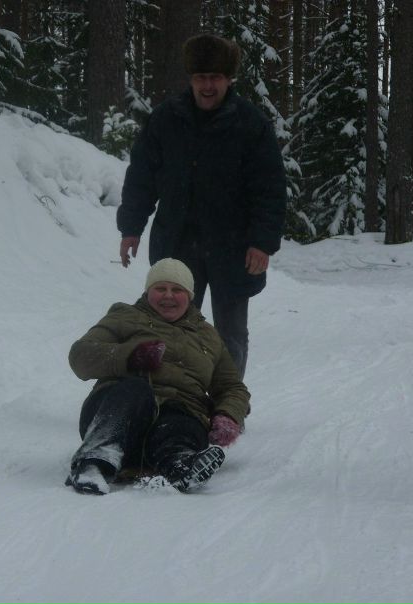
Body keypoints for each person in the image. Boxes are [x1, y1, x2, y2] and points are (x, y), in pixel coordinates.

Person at [117, 33, 287, 381]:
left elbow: (269, 188)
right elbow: (142, 176)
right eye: (200, 77)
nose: (208, 86)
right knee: (172, 326)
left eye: (216, 78)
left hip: (234, 246)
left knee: (231, 335)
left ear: (229, 79)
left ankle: (227, 405)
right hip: (177, 242)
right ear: (190, 79)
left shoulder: (251, 124)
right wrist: (131, 227)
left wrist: (262, 241)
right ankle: (177, 398)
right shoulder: (166, 118)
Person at [65, 258, 250, 495]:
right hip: (119, 412)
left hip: (178, 414)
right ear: (148, 291)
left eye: (177, 290)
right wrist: (130, 357)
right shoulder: (123, 317)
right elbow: (80, 356)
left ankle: (181, 466)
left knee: (183, 420)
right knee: (135, 390)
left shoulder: (208, 336)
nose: (168, 296)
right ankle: (94, 462)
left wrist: (227, 414)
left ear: (190, 295)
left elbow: (232, 386)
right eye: (160, 288)